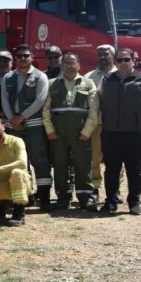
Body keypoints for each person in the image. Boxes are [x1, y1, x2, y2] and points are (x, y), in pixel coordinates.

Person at [98, 48, 141, 216]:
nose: (123, 63)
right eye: (119, 60)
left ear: (133, 60)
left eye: (126, 60)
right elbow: (100, 101)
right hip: (110, 132)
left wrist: (138, 117)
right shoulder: (106, 80)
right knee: (111, 169)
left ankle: (134, 203)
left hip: (134, 133)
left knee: (134, 170)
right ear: (115, 62)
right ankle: (110, 202)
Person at [43, 52, 99, 211]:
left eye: (72, 63)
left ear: (79, 65)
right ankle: (63, 197)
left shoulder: (88, 83)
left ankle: (85, 198)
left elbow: (94, 111)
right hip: (58, 134)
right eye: (65, 63)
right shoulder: (51, 84)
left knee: (83, 165)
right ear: (61, 65)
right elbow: (46, 110)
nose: (69, 66)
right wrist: (50, 130)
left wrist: (87, 131)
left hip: (80, 133)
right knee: (60, 166)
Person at [2, 44, 52, 209]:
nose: (22, 59)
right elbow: (5, 100)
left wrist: (22, 117)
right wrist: (12, 119)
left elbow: (40, 100)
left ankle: (44, 198)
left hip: (34, 124)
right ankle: (26, 195)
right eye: (20, 56)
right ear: (16, 59)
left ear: (32, 57)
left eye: (26, 56)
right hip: (13, 126)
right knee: (18, 161)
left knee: (40, 160)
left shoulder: (40, 76)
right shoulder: (8, 77)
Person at [84, 44, 116, 204]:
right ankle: (94, 190)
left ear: (113, 55)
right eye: (100, 54)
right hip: (96, 126)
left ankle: (115, 191)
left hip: (116, 126)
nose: (103, 57)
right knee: (93, 159)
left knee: (116, 160)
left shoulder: (120, 74)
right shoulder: (89, 77)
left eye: (106, 54)